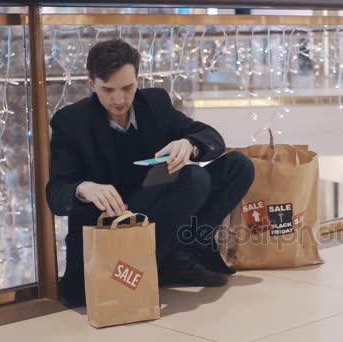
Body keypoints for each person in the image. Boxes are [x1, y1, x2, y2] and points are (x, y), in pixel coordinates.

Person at [46, 39, 255, 307]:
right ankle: (166, 260)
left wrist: (190, 144)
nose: (119, 99)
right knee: (194, 178)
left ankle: (184, 251)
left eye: (127, 87)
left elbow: (212, 138)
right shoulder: (71, 122)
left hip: (158, 205)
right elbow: (56, 194)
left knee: (239, 165)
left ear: (137, 78)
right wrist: (84, 188)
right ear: (91, 84)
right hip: (112, 224)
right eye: (108, 90)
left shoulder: (154, 102)